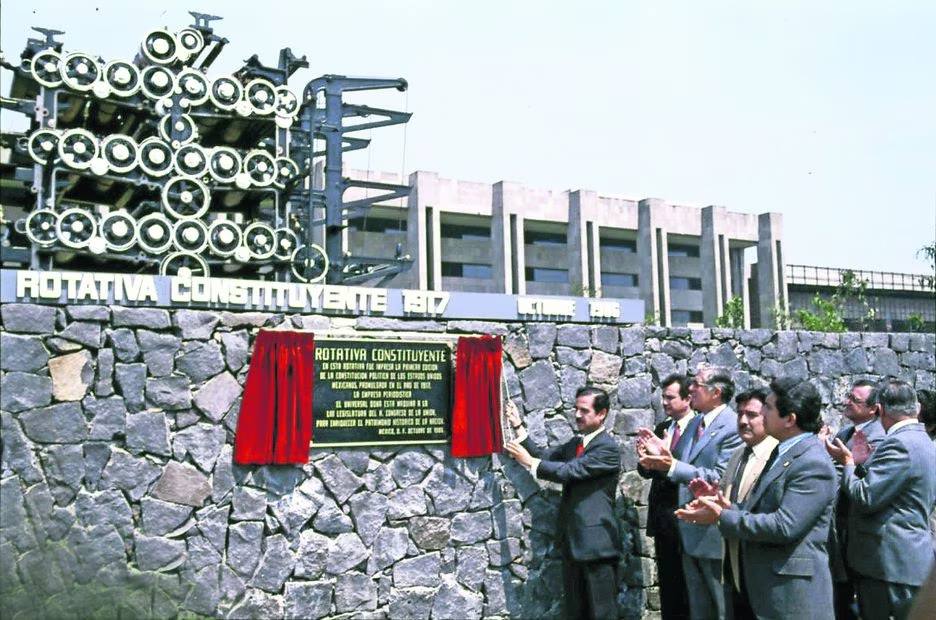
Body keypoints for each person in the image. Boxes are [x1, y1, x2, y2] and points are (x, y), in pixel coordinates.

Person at [676, 376, 837, 619]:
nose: (762, 412)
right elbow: (762, 508)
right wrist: (724, 505)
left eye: (768, 408)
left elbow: (785, 526)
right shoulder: (784, 452)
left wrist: (722, 516)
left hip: (791, 597)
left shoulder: (812, 462)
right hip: (763, 587)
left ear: (790, 419)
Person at [505, 386, 621, 620]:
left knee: (601, 612)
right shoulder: (577, 443)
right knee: (576, 611)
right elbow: (546, 457)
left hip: (597, 547)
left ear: (602, 414)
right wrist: (518, 427)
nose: (577, 415)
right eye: (576, 409)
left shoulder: (607, 448)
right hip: (573, 543)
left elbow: (570, 470)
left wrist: (529, 463)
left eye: (584, 410)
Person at [638, 365, 742, 620]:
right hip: (687, 531)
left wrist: (670, 463)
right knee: (697, 608)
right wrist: (660, 454)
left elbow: (719, 476)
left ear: (716, 392)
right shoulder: (696, 422)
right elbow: (679, 463)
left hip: (712, 532)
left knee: (721, 607)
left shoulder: (732, 426)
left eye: (696, 384)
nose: (691, 388)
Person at [826, 379, 936, 620]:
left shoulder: (899, 444)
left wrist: (848, 464)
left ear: (880, 410)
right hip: (904, 561)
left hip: (889, 564)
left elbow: (865, 496)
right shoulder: (924, 441)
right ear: (915, 408)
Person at [821, 380, 886, 620]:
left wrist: (845, 461)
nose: (847, 402)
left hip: (854, 524)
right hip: (840, 523)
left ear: (873, 409)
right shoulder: (847, 432)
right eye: (849, 396)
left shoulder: (877, 438)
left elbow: (866, 477)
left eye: (855, 400)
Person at [637, 374, 696, 620]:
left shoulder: (698, 429)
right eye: (663, 397)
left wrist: (666, 455)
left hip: (687, 516)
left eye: (670, 397)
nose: (665, 402)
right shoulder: (663, 428)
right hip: (663, 519)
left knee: (689, 587)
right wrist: (644, 460)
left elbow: (690, 470)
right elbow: (648, 472)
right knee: (668, 584)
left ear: (688, 398)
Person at [716, 388, 778, 619]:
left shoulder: (777, 456)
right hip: (735, 563)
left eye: (752, 415)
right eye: (740, 414)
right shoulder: (739, 454)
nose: (743, 421)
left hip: (763, 566)